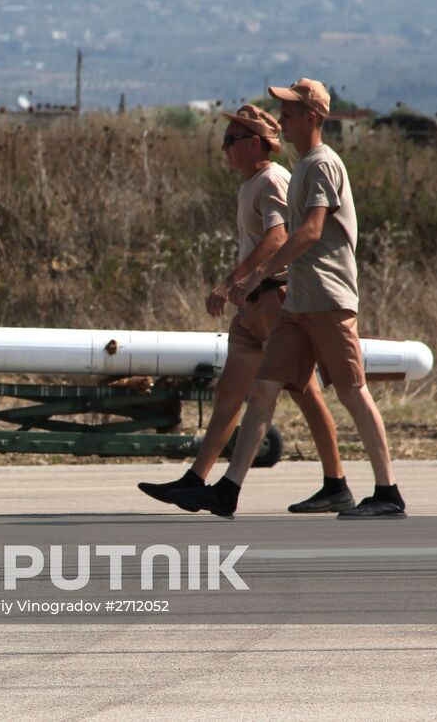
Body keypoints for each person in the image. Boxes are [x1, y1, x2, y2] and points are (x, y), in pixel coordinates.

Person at [172, 78, 407, 518]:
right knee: (262, 392)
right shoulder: (300, 168)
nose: (281, 119)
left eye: (290, 112)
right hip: (298, 303)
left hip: (328, 297)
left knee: (352, 391)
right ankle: (228, 490)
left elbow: (311, 230)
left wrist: (257, 273)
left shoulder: (322, 165)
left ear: (313, 118)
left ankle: (387, 492)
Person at [138, 104, 352, 514]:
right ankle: (196, 480)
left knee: (304, 391)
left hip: (275, 298)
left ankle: (336, 481)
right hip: (253, 304)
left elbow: (277, 238)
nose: (224, 149)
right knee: (229, 393)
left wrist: (231, 281)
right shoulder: (251, 184)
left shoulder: (272, 178)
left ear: (255, 143)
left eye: (231, 141)